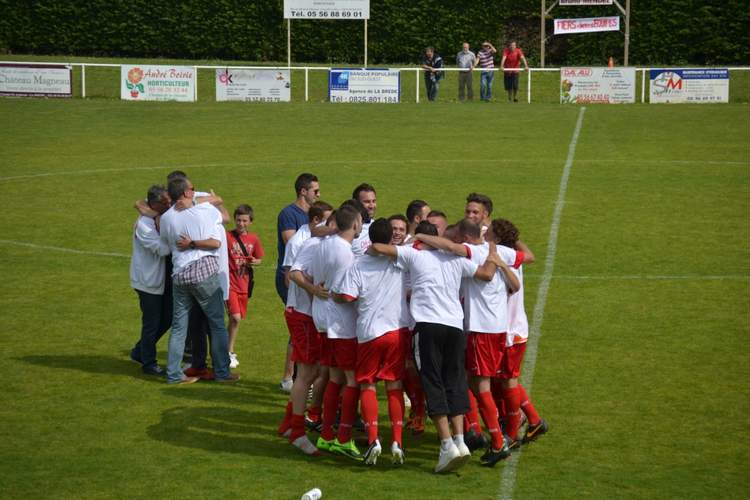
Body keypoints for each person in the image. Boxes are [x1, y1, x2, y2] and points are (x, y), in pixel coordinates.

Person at [369, 221, 501, 474]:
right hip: (455, 326)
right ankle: (460, 441)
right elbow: (486, 274)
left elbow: (379, 248)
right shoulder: (455, 260)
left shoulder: (415, 255)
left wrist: (402, 242)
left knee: (432, 382)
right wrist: (494, 253)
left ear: (422, 240)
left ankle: (445, 444)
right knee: (455, 381)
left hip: (427, 327)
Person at [415, 219, 523, 466]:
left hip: (481, 328)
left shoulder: (475, 251)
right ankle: (480, 434)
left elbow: (452, 248)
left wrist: (421, 236)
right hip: (496, 328)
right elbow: (523, 264)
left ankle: (498, 441)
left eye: (456, 237)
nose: (453, 242)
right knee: (471, 381)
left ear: (465, 237)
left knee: (480, 386)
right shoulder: (501, 252)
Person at [332, 218, 411, 466]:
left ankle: (374, 438)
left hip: (369, 333)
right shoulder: (399, 259)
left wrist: (334, 294)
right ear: (391, 237)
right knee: (395, 385)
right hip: (397, 330)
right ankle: (397, 440)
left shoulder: (358, 265)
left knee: (367, 385)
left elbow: (346, 296)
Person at [295, 205, 364, 460]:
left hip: (322, 318)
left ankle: (325, 435)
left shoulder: (322, 244)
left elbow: (309, 275)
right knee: (352, 380)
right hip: (342, 323)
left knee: (335, 377)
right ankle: (343, 438)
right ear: (355, 225)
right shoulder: (346, 253)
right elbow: (348, 293)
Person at [159, 176, 239, 384]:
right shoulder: (205, 211)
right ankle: (222, 373)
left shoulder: (167, 217)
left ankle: (174, 375)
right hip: (204, 273)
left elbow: (166, 245)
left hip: (179, 275)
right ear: (186, 193)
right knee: (216, 324)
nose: (195, 192)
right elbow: (215, 242)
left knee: (179, 327)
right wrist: (195, 243)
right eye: (193, 189)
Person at [489, 218, 548, 447]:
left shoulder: (501, 254)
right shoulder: (512, 254)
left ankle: (514, 433)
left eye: (489, 232)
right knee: (503, 379)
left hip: (510, 331)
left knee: (508, 382)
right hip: (513, 328)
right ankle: (532, 420)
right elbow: (529, 255)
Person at [276, 173, 320, 391]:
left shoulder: (312, 215)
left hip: (301, 277)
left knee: (304, 329)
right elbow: (290, 242)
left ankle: (297, 377)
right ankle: (290, 377)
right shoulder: (289, 214)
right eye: (315, 191)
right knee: (299, 327)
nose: (318, 194)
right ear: (303, 191)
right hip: (290, 277)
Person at [129, 185, 173, 376]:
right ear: (154, 203)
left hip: (159, 280)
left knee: (168, 318)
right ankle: (148, 363)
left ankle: (140, 350)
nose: (169, 205)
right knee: (152, 322)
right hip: (148, 282)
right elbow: (162, 249)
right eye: (165, 203)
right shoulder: (144, 225)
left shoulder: (156, 217)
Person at [226, 204, 264, 369]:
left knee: (235, 321)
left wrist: (255, 262)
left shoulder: (254, 239)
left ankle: (226, 350)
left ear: (250, 222)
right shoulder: (228, 236)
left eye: (244, 221)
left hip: (244, 285)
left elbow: (259, 258)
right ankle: (229, 351)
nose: (241, 224)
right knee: (235, 318)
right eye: (238, 220)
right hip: (230, 284)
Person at [352, 183, 376, 257]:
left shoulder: (376, 226)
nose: (372, 206)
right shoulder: (348, 230)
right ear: (356, 203)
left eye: (374, 201)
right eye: (367, 202)